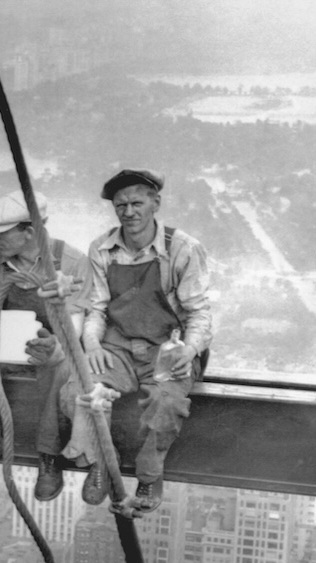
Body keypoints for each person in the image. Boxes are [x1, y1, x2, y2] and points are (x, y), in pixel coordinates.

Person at [58, 169, 211, 512]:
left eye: (137, 203)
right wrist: (93, 345)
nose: (129, 212)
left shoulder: (182, 248)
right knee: (77, 392)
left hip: (167, 349)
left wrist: (190, 347)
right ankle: (99, 462)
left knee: (167, 404)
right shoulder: (102, 248)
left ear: (155, 203)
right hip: (119, 347)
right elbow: (96, 308)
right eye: (120, 205)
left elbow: (199, 311)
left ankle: (149, 474)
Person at [0, 190, 89, 500]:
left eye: (1, 234)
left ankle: (49, 454)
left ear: (29, 231)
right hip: (6, 339)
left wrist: (56, 346)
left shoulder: (72, 262)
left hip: (54, 342)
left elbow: (76, 322)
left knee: (59, 368)